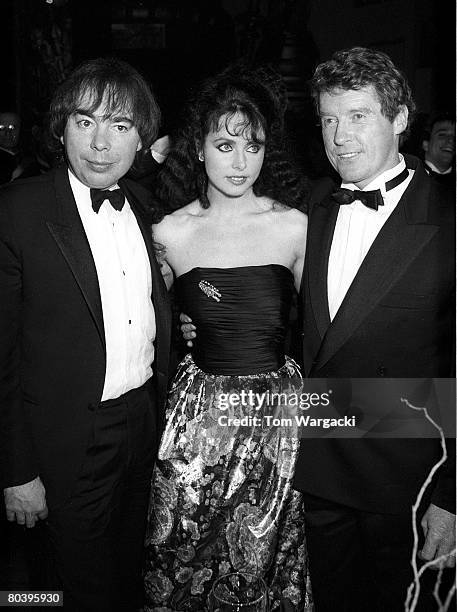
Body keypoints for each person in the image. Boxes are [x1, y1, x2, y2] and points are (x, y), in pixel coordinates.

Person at [0, 58, 171, 612]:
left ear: (142, 139)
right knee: (73, 591)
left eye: (120, 126)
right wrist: (16, 470)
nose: (101, 143)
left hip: (142, 427)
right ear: (61, 128)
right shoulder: (16, 211)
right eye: (85, 121)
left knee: (128, 577)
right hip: (65, 443)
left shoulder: (145, 208)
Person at [143, 66, 312, 611]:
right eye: (224, 144)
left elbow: (325, 330)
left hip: (277, 419)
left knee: (269, 564)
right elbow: (138, 324)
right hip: (197, 422)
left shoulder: (297, 227)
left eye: (253, 146)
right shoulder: (168, 232)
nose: (241, 163)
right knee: (188, 557)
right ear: (197, 148)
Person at [293, 47, 455, 611]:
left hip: (410, 480)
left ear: (401, 119)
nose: (339, 136)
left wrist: (453, 497)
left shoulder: (448, 215)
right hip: (317, 467)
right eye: (329, 120)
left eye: (357, 116)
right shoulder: (309, 205)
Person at [422, 112, 455, 187]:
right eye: (442, 135)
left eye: (455, 136)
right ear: (426, 144)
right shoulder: (410, 177)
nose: (451, 140)